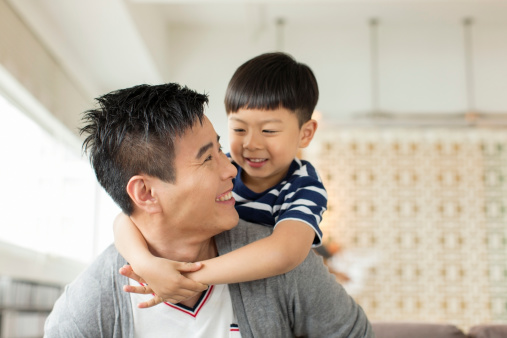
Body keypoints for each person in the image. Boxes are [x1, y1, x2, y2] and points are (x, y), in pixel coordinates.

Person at [44, 83, 374, 337]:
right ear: (145, 193)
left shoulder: (285, 265)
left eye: (219, 148)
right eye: (207, 157)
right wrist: (145, 263)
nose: (232, 169)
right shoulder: (92, 300)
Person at [113, 52, 329, 307]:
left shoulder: (304, 186)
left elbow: (284, 252)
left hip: (262, 298)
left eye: (269, 131)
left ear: (305, 133)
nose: (252, 144)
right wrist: (146, 265)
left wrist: (185, 278)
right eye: (239, 129)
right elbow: (127, 218)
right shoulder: (221, 167)